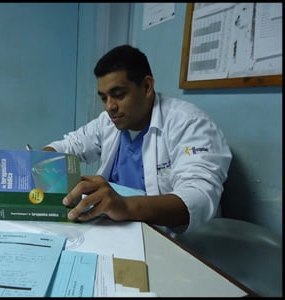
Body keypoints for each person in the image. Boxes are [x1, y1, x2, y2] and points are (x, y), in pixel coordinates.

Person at [43, 44, 232, 235]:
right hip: (115, 231)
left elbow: (198, 198)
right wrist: (35, 162)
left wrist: (124, 206)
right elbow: (70, 146)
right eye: (104, 98)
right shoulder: (108, 122)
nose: (110, 106)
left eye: (119, 95)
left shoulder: (189, 123)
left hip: (170, 240)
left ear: (147, 87)